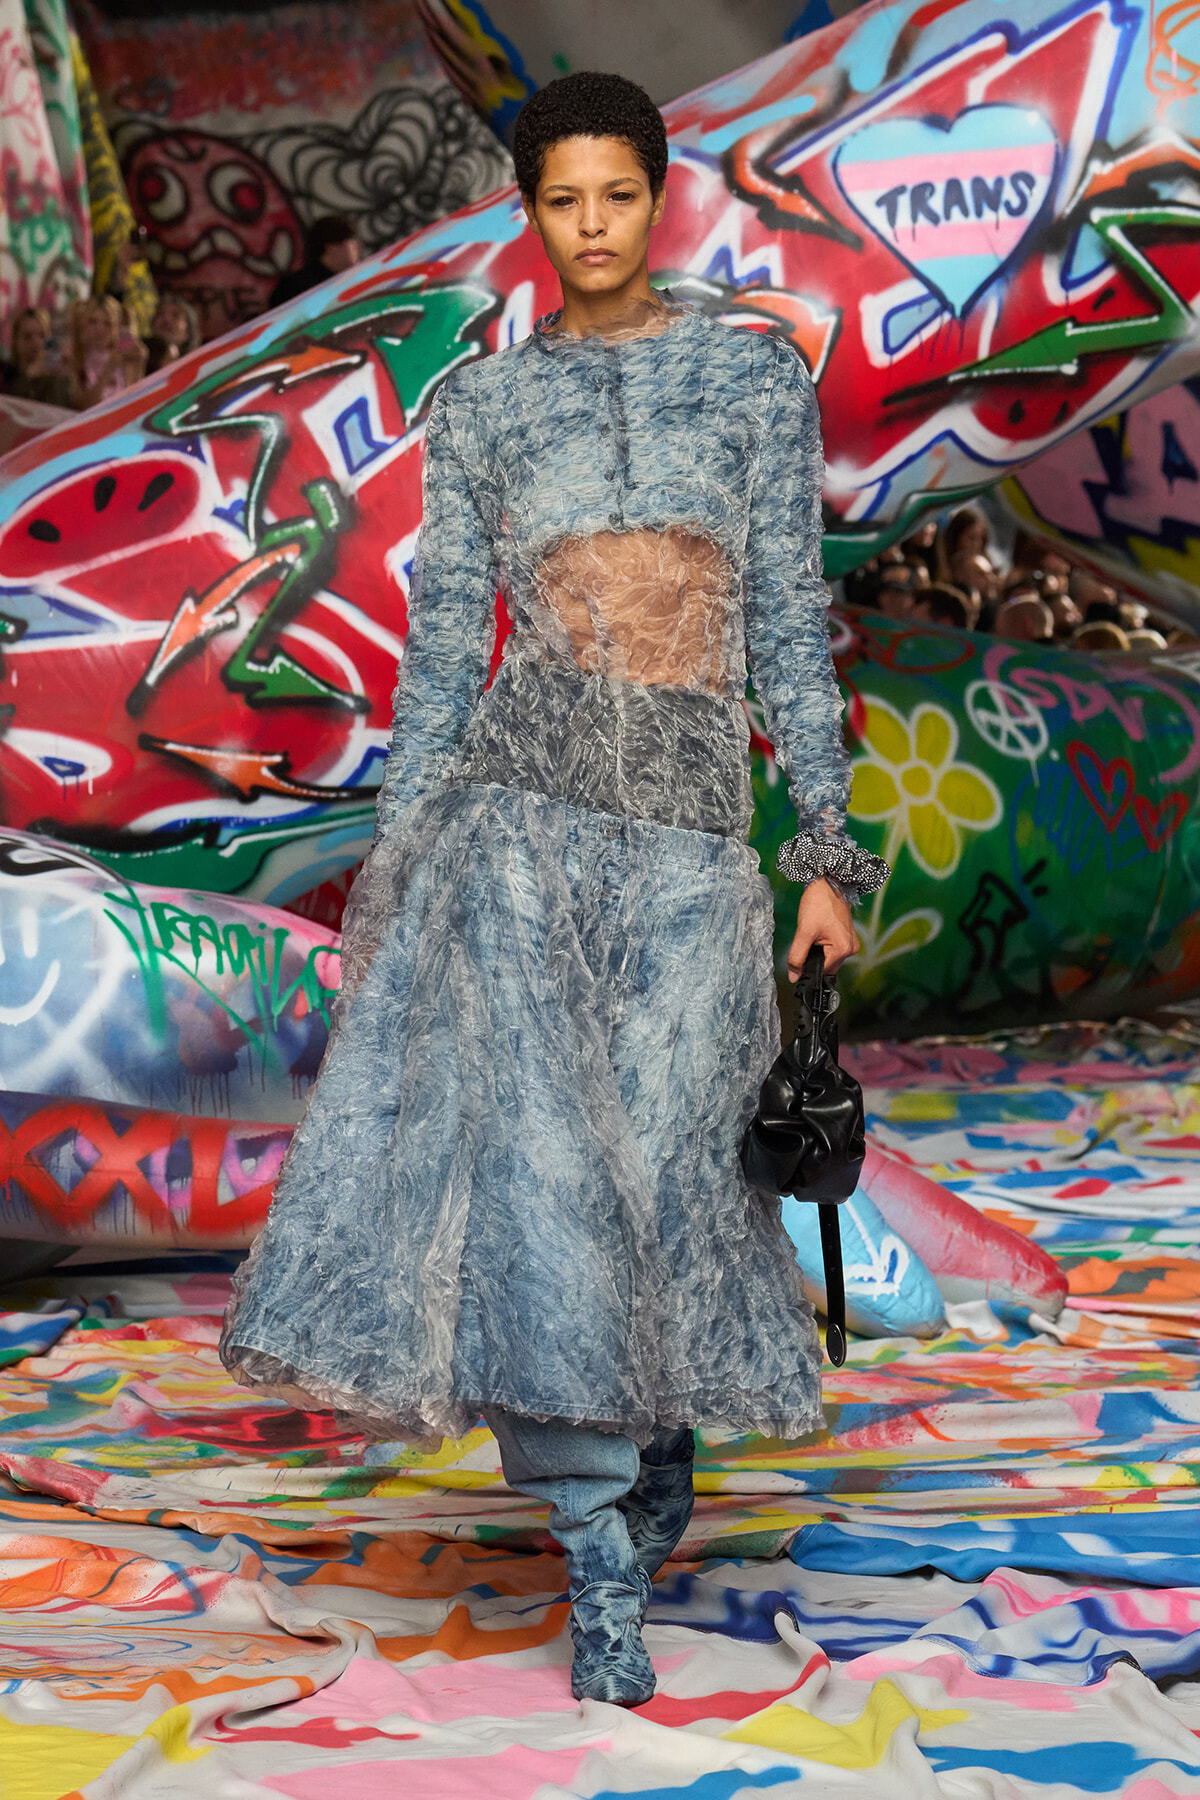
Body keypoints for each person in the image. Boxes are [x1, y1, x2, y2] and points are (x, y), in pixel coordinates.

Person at [220, 72, 888, 1708]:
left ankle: (647, 1464)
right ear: (530, 216)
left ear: (658, 200)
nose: (588, 227)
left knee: (669, 1182)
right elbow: (450, 654)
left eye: (614, 196)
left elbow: (792, 633)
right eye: (558, 202)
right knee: (550, 1199)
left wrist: (825, 854)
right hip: (521, 822)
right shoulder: (488, 410)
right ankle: (598, 1557)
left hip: (693, 843)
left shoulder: (747, 390)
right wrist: (400, 849)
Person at [268, 215, 361, 310]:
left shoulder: (355, 278)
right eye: (352, 242)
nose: (358, 246)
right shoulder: (294, 288)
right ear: (331, 247)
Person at [69, 295, 146, 409]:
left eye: (107, 324)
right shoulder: (75, 358)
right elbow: (84, 406)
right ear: (82, 324)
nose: (99, 329)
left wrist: (139, 365)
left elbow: (135, 405)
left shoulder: (125, 357)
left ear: (116, 328)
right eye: (92, 322)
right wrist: (109, 368)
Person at [2, 307, 73, 407]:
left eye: (41, 336)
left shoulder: (53, 373)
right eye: (27, 336)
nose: (36, 342)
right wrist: (30, 376)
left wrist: (64, 377)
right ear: (15, 340)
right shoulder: (6, 373)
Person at [144, 294, 200, 373]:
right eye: (160, 314)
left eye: (175, 315)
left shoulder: (196, 368)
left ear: (187, 333)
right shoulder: (138, 357)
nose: (166, 319)